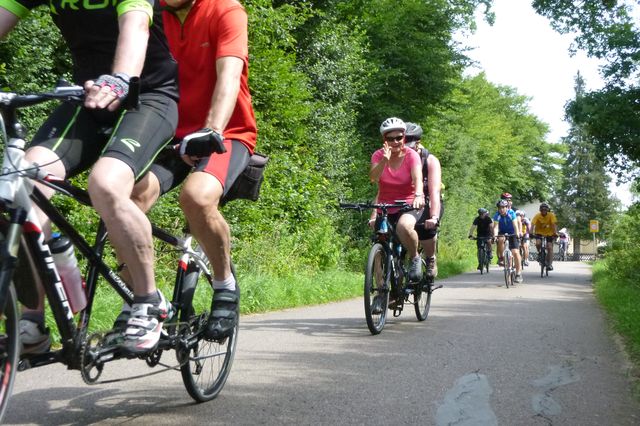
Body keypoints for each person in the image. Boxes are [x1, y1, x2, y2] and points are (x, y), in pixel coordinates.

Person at [0, 0, 179, 355]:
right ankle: (32, 320)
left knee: (106, 185)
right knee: (24, 183)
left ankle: (149, 300)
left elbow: (136, 27)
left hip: (148, 96)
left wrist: (121, 78)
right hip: (88, 96)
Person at [125, 0, 257, 340]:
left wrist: (211, 129)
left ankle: (224, 284)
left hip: (226, 133)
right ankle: (144, 299)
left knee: (196, 198)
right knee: (123, 198)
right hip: (170, 133)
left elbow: (228, 75)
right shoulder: (150, 11)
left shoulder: (226, 10)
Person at [368, 118, 428, 286]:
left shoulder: (411, 155)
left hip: (408, 204)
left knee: (403, 227)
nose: (395, 142)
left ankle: (415, 257)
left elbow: (417, 178)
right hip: (385, 205)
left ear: (404, 137)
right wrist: (384, 161)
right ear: (384, 140)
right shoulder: (378, 155)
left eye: (399, 138)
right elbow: (374, 179)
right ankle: (381, 290)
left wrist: (418, 195)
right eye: (390, 138)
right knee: (378, 244)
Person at [404, 122, 443, 278]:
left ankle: (430, 257)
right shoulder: (398, 158)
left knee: (425, 228)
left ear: (418, 142)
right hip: (406, 201)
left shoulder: (429, 160)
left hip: (428, 200)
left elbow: (434, 192)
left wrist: (433, 217)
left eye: (409, 145)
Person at [493, 199, 523, 283]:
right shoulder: (497, 215)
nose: (501, 209)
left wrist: (517, 234)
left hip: (512, 232)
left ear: (506, 207)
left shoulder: (511, 213)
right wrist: (495, 236)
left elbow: (515, 225)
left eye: (503, 207)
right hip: (502, 232)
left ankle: (518, 273)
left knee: (515, 252)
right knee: (500, 239)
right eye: (500, 208)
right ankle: (502, 258)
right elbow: (495, 227)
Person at [530, 202, 558, 270]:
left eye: (545, 210)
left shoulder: (551, 215)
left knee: (550, 247)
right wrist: (531, 233)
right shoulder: (537, 216)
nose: (544, 211)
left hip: (549, 233)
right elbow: (533, 224)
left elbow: (554, 224)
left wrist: (555, 233)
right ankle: (540, 253)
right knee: (538, 243)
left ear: (547, 210)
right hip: (539, 233)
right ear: (540, 210)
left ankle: (550, 264)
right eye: (542, 210)